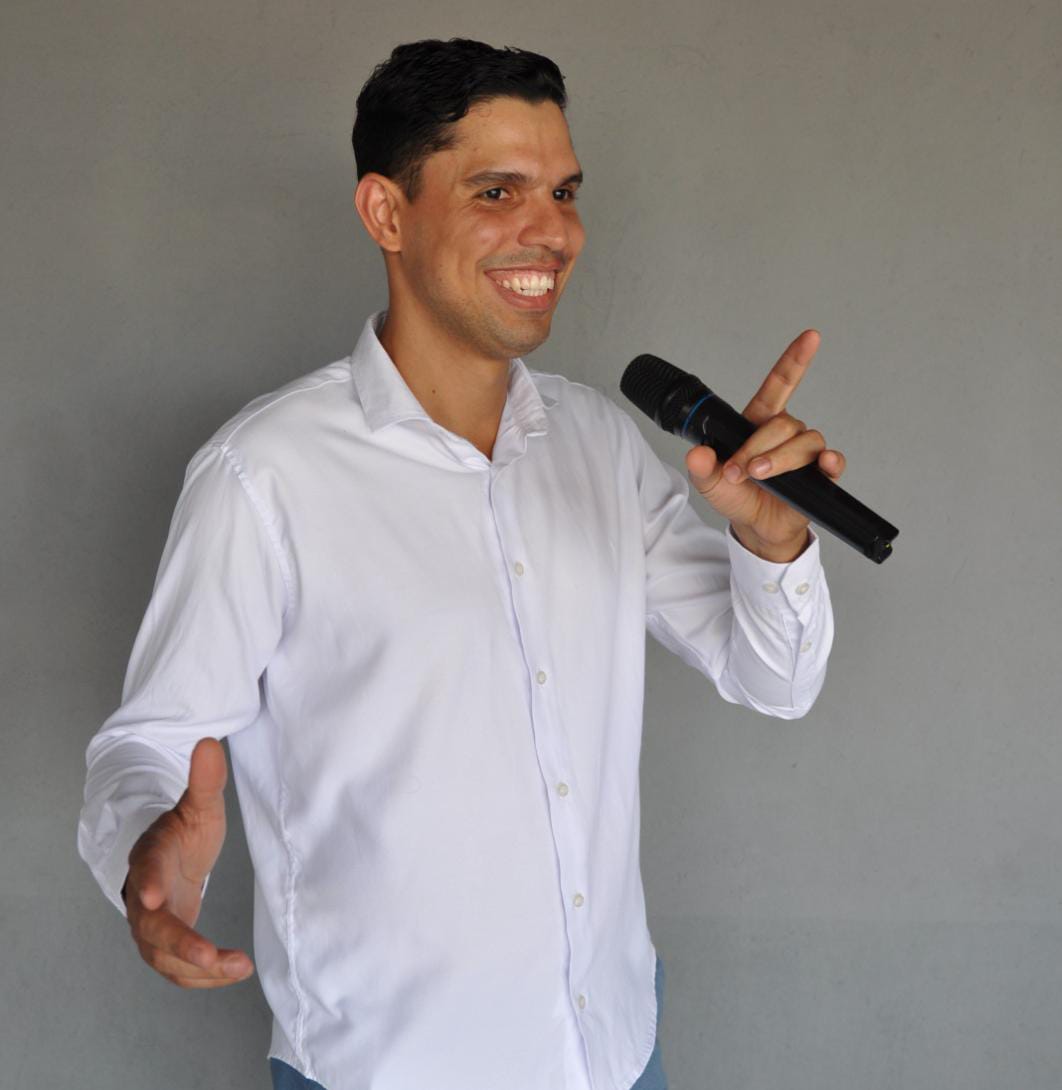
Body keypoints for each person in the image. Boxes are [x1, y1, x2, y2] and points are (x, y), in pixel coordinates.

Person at [78, 37, 843, 1090]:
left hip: (616, 1056)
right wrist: (147, 851)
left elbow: (777, 677)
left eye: (564, 191)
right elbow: (150, 742)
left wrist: (773, 537)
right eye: (498, 191)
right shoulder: (264, 476)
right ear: (386, 214)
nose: (555, 231)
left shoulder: (598, 443)